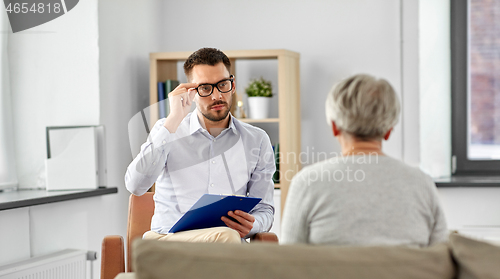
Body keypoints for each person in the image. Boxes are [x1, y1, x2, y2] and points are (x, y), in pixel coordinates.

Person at [125, 48, 275, 243]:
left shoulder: (257, 140)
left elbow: (265, 209)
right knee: (228, 238)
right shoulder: (168, 130)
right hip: (169, 242)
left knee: (227, 237)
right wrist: (173, 119)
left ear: (233, 84)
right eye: (205, 88)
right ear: (191, 92)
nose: (216, 96)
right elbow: (136, 186)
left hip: (224, 244)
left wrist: (252, 224)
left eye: (223, 84)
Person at [281, 74, 448, 247]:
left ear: (334, 127)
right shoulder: (422, 184)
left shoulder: (307, 183)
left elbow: (288, 263)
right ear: (389, 130)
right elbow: (440, 258)